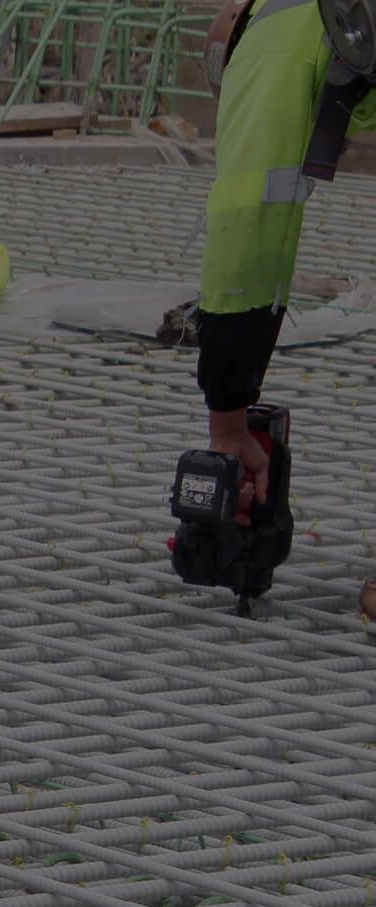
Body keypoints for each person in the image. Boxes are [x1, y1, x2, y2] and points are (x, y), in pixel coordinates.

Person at [194, 0, 376, 612]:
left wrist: (227, 420)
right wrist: (229, 422)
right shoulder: (290, 27)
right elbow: (252, 223)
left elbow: (246, 233)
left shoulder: (276, 40)